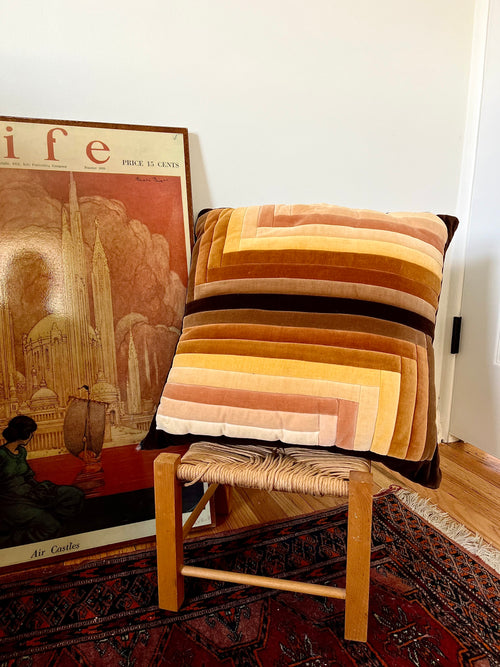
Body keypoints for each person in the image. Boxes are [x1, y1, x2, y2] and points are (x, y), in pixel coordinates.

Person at [0, 415, 85, 548]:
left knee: (74, 495)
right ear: (25, 434)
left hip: (30, 492)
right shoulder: (1, 455)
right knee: (51, 526)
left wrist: (40, 489)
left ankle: (48, 519)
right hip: (11, 501)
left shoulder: (21, 452)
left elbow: (27, 476)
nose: (32, 436)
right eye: (31, 433)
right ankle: (12, 541)